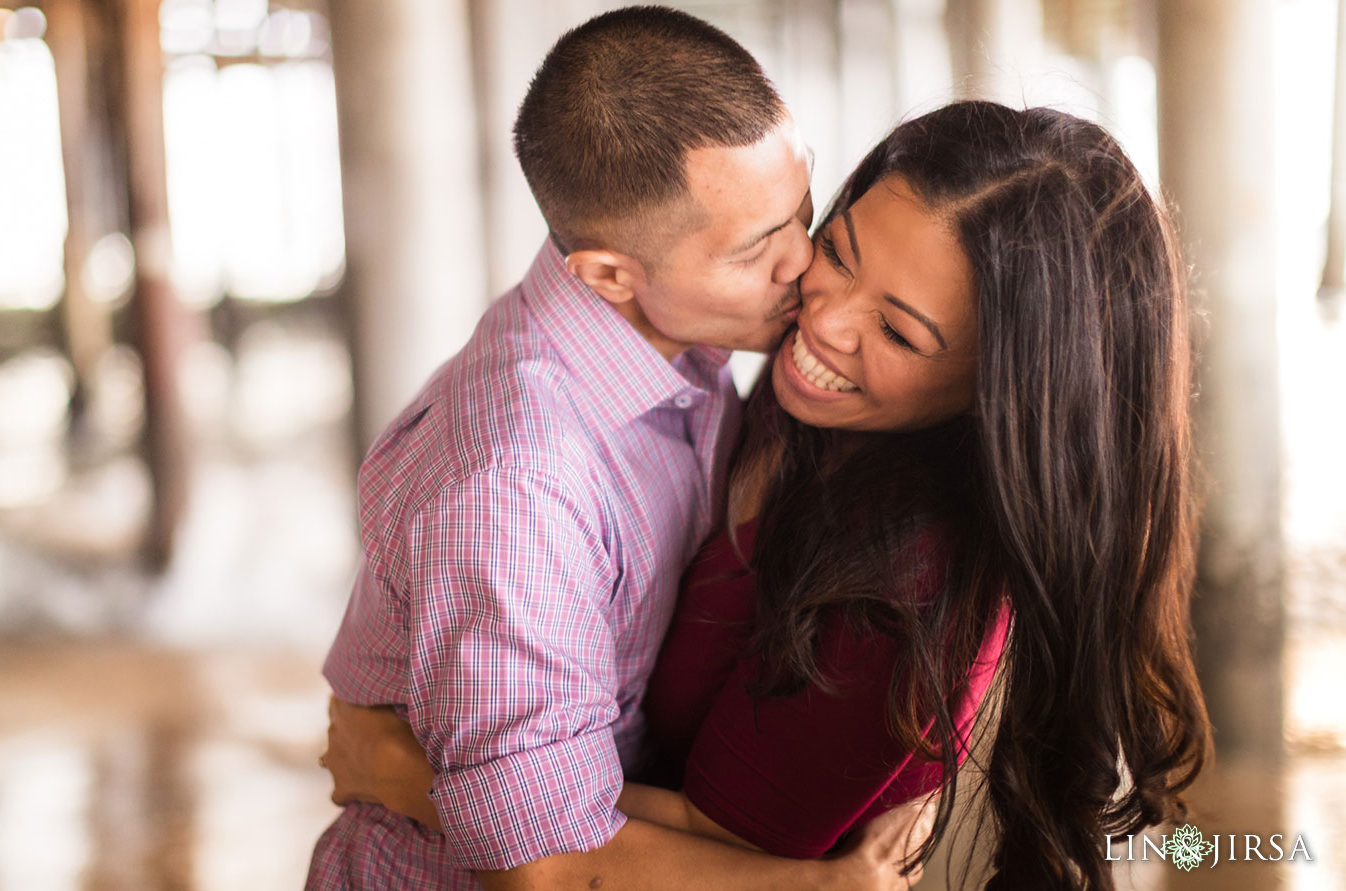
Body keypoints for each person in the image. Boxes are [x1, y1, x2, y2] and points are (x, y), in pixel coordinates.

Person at [324, 101, 1213, 891]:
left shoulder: (904, 591)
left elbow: (706, 847)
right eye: (838, 250)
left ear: (1004, 391)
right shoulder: (789, 407)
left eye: (897, 330)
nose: (823, 318)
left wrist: (407, 772)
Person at [308, 8, 933, 890]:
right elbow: (546, 864)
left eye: (802, 209)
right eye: (759, 248)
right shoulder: (515, 483)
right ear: (607, 274)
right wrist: (827, 886)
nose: (808, 265)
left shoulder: (693, 333)